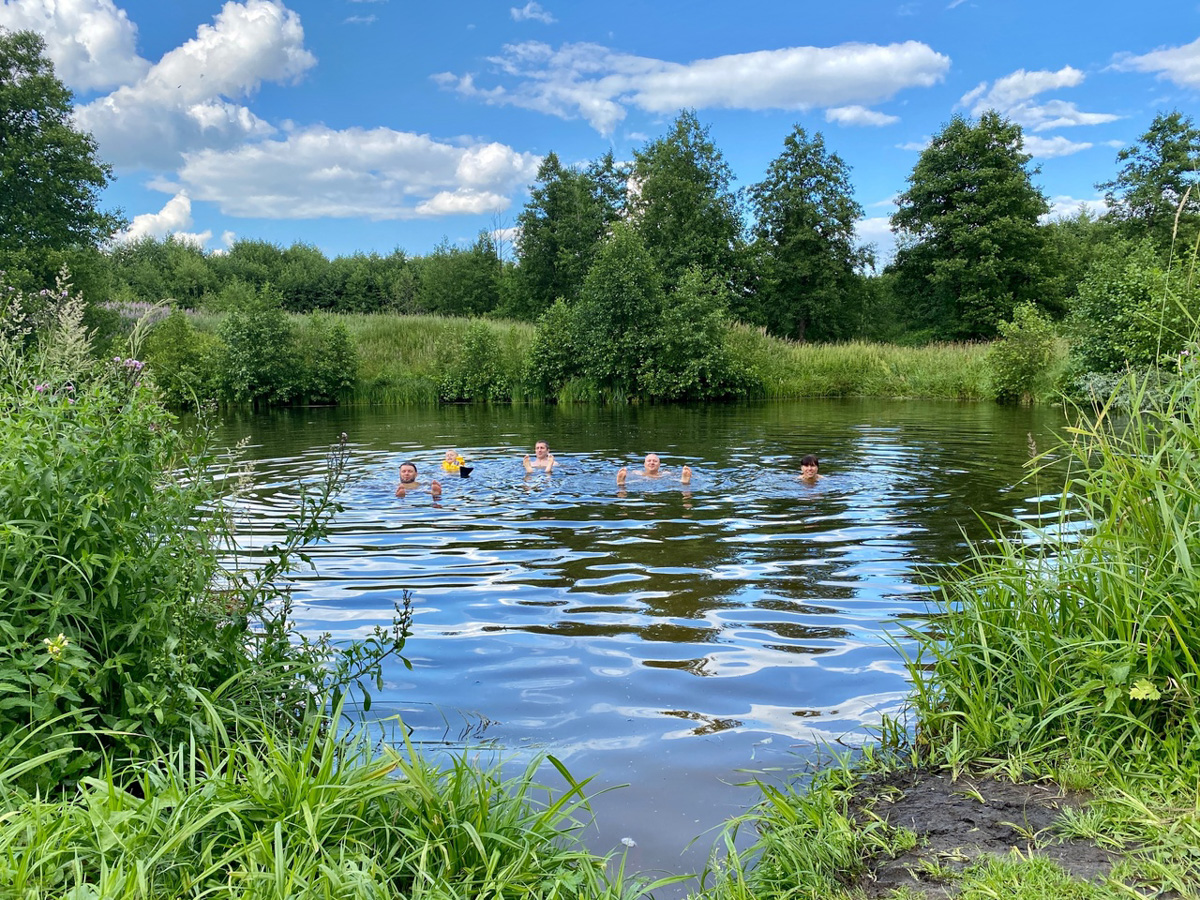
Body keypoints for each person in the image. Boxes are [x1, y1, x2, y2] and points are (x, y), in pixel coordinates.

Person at [617, 453, 692, 485]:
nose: (652, 463)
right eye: (649, 461)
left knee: (675, 480)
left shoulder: (665, 473)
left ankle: (684, 480)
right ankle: (621, 482)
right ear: (644, 464)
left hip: (658, 478)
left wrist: (691, 475)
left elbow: (675, 475)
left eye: (655, 461)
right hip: (643, 479)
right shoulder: (637, 472)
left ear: (659, 465)